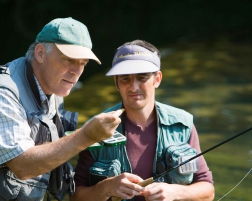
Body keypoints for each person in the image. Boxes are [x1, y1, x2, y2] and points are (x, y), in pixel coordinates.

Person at [0, 17, 124, 201]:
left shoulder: (53, 88)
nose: (76, 71)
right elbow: (23, 166)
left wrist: (108, 187)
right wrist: (86, 136)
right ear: (40, 53)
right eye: (69, 60)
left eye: (83, 63)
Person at [70, 40, 215, 201]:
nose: (134, 87)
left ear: (157, 79)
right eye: (125, 79)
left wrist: (175, 192)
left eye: (142, 77)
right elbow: (75, 196)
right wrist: (108, 187)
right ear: (116, 83)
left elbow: (207, 190)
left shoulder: (182, 125)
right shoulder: (96, 128)